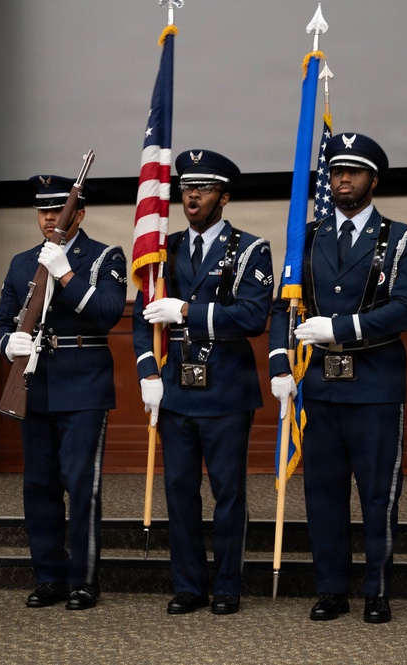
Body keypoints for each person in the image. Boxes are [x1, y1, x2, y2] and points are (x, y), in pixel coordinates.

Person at [269, 133, 407, 624]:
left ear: (373, 181)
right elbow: (284, 305)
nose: (342, 179)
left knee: (379, 493)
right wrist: (280, 363)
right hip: (319, 384)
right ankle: (331, 588)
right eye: (337, 171)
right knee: (324, 493)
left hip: (375, 387)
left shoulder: (403, 238)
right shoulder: (307, 236)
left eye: (353, 172)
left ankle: (377, 591)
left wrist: (341, 328)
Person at [133, 149, 273, 616]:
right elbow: (141, 319)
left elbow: (253, 316)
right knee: (179, 491)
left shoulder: (251, 248)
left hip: (226, 390)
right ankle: (189, 584)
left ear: (224, 197)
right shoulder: (162, 249)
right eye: (187, 187)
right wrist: (148, 370)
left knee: (228, 493)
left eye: (205, 188)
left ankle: (228, 584)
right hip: (174, 387)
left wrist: (189, 312)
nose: (192, 195)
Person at [0, 174, 128, 610]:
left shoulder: (105, 256)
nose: (50, 218)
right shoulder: (20, 262)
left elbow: (107, 314)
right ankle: (48, 576)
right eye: (44, 212)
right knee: (39, 485)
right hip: (35, 384)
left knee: (81, 484)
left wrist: (65, 274)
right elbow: (1, 322)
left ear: (79, 214)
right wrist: (6, 343)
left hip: (84, 385)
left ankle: (83, 580)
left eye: (59, 211)